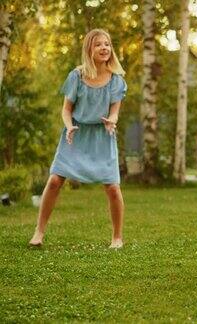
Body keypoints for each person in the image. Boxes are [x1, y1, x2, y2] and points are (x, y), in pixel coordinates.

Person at [29, 29, 127, 249]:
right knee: (54, 181)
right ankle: (39, 232)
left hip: (103, 135)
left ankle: (117, 237)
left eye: (107, 44)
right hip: (75, 135)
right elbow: (66, 109)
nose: (104, 48)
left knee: (112, 187)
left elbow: (115, 111)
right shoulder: (76, 76)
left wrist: (112, 120)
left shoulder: (116, 81)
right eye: (98, 44)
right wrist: (69, 126)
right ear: (89, 50)